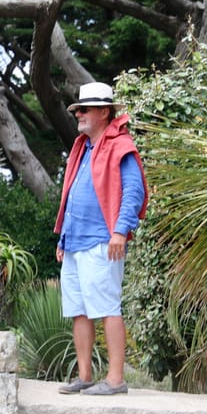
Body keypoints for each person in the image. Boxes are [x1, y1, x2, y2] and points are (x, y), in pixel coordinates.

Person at [54, 82, 149, 395]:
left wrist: (120, 231)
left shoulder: (121, 146)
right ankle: (84, 376)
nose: (79, 114)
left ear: (105, 112)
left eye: (85, 109)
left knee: (107, 306)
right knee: (78, 310)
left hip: (101, 241)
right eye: (78, 109)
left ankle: (116, 379)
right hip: (75, 242)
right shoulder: (84, 147)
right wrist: (63, 239)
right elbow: (73, 194)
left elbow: (133, 192)